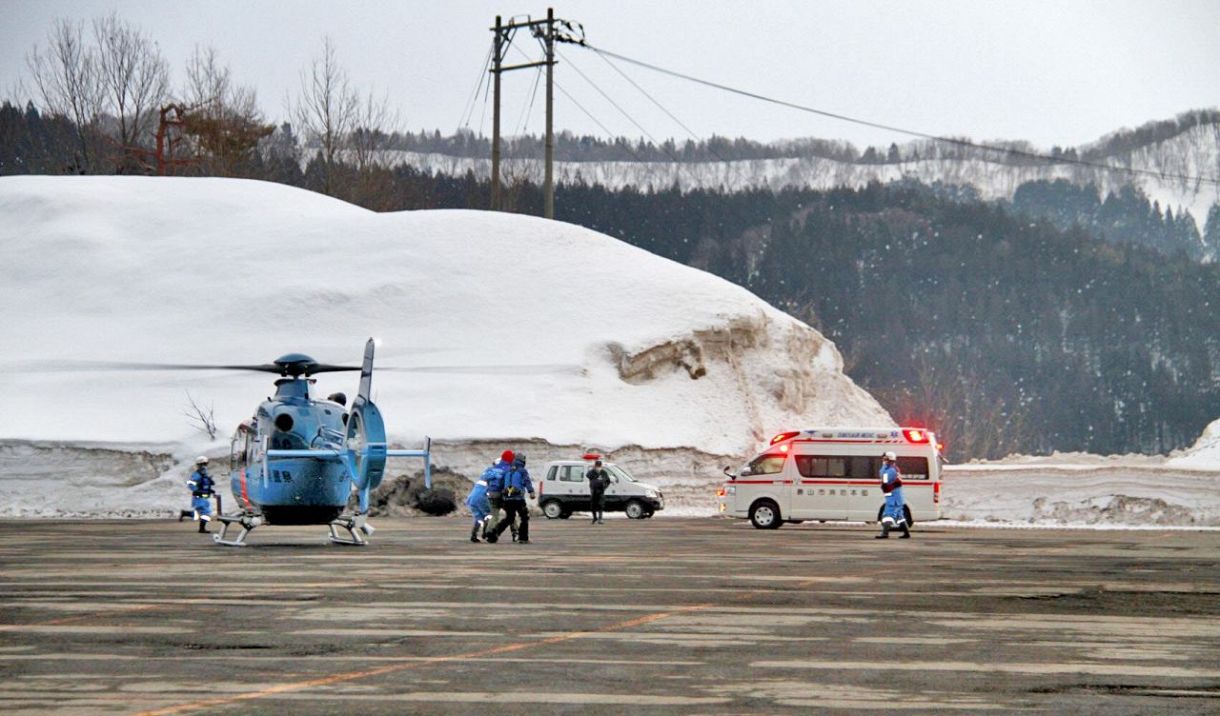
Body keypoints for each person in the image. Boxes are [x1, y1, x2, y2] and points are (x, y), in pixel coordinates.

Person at [487, 452, 535, 544]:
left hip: (507, 499)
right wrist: (531, 492)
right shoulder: (522, 471)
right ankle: (523, 538)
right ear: (522, 461)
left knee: (509, 518)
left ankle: (493, 535)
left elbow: (501, 484)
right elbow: (527, 481)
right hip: (518, 499)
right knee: (524, 517)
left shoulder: (507, 470)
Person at [483, 450, 517, 542]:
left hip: (491, 494)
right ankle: (516, 533)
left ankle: (488, 533)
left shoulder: (491, 469)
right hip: (502, 495)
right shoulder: (509, 469)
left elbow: (485, 479)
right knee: (511, 514)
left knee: (494, 516)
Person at [877, 451, 910, 539]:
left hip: (893, 497)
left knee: (888, 514)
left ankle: (885, 533)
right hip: (895, 496)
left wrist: (884, 486)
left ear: (889, 460)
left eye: (885, 459)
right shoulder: (893, 468)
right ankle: (906, 533)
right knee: (900, 516)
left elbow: (885, 481)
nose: (883, 461)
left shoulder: (890, 470)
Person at [187, 456, 216, 534]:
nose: (204, 466)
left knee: (203, 512)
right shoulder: (196, 474)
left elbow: (206, 484)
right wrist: (196, 490)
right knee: (206, 512)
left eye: (205, 464)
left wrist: (210, 490)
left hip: (205, 496)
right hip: (198, 497)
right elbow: (190, 484)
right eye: (202, 464)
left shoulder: (205, 474)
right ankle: (202, 529)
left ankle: (185, 513)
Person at [465, 474, 492, 543]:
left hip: (472, 501)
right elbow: (489, 494)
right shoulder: (488, 486)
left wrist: (467, 502)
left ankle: (473, 535)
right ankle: (485, 533)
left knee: (478, 517)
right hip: (481, 500)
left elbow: (471, 495)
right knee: (488, 515)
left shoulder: (477, 486)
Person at [586, 460, 610, 524]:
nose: (598, 467)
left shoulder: (603, 472)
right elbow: (587, 475)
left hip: (601, 491)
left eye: (599, 466)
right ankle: (594, 518)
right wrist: (593, 469)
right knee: (593, 505)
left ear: (601, 466)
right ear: (595, 466)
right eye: (597, 466)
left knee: (600, 505)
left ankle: (600, 519)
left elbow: (608, 481)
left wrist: (605, 487)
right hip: (593, 491)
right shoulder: (592, 472)